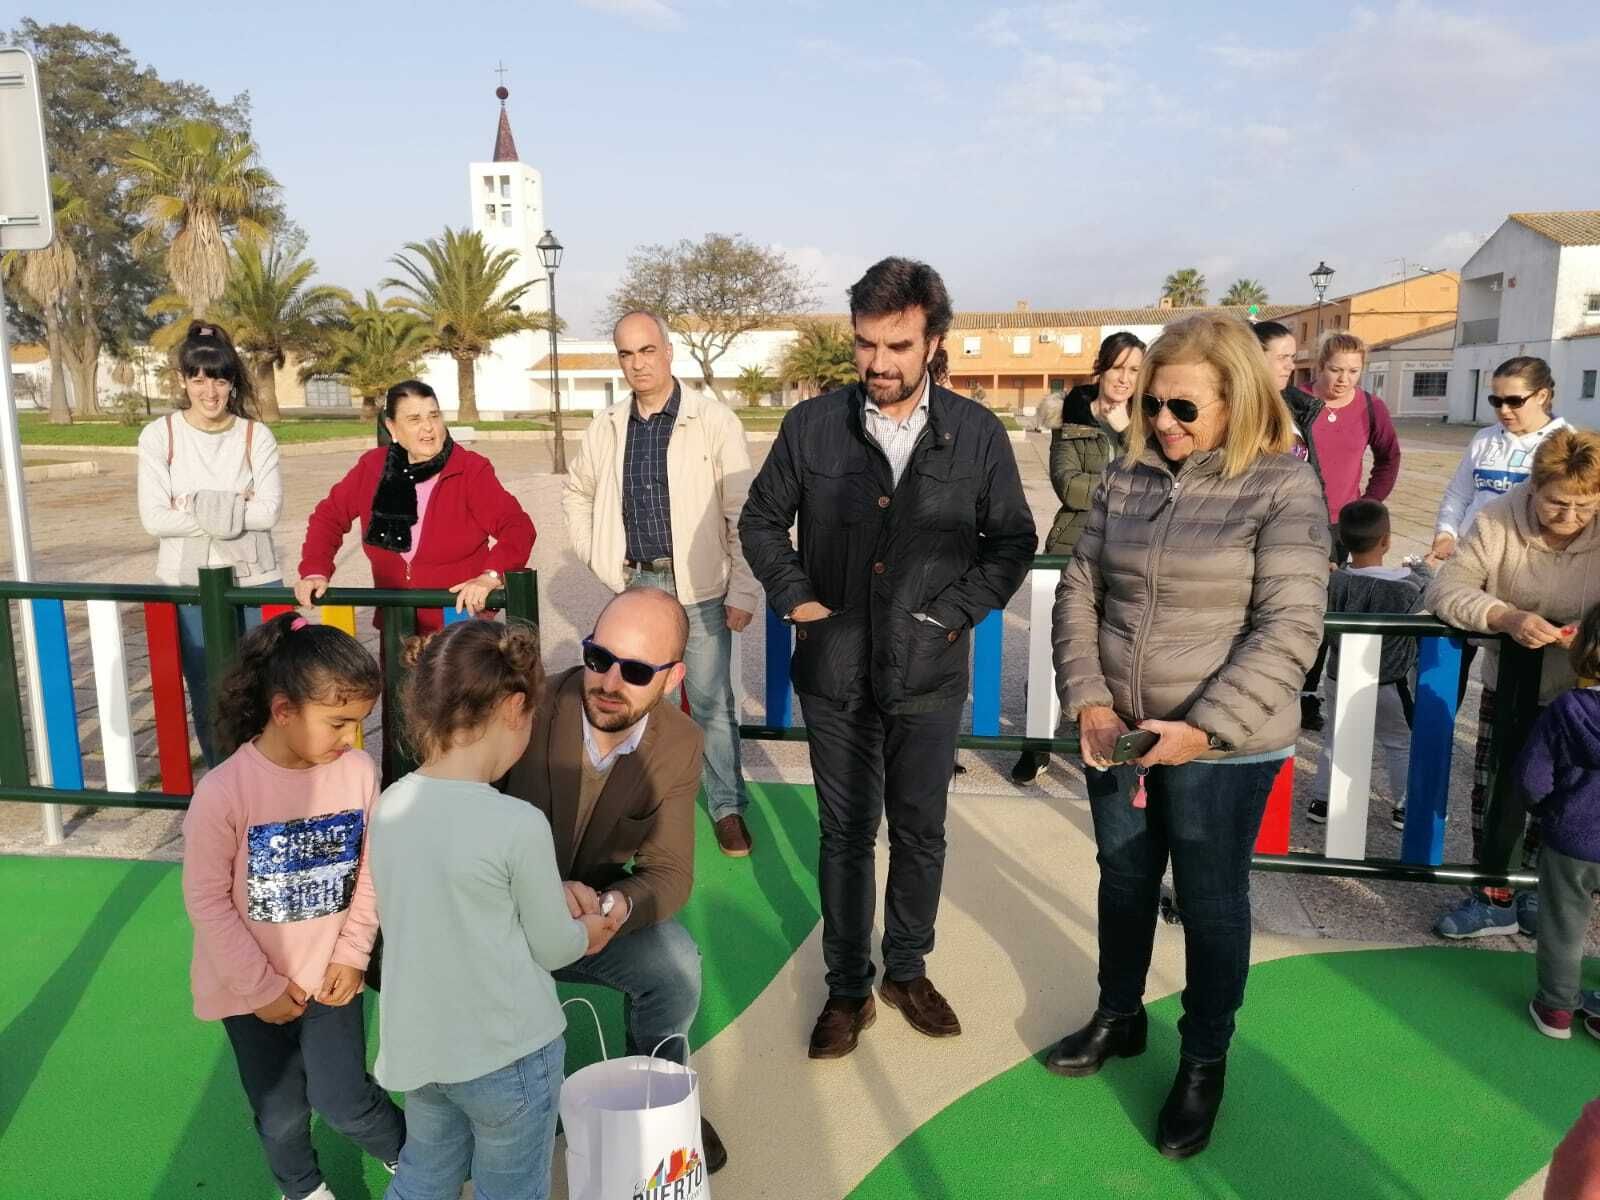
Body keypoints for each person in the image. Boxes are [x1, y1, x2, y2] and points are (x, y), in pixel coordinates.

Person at [739, 256, 1036, 1059]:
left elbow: (1012, 543)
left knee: (920, 830)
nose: (878, 363)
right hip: (836, 676)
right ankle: (847, 990)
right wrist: (801, 603)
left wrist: (953, 616)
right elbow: (761, 522)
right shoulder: (811, 427)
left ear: (934, 341)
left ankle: (906, 971)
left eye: (898, 345)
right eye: (866, 344)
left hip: (929, 676)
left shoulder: (978, 434)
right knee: (843, 835)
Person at [1049, 313, 1328, 1160]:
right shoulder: (1126, 477)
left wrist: (1203, 731)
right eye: (1152, 405)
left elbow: (1290, 626)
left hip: (1224, 746)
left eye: (1182, 408)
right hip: (1122, 732)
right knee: (1124, 879)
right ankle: (1120, 1015)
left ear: (1237, 401)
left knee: (1210, 905)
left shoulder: (1284, 486)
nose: (1162, 423)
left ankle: (1204, 1060)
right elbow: (1079, 585)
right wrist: (1090, 699)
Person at [370, 619, 613, 1200]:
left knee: (424, 1174)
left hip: (422, 1049)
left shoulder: (389, 805)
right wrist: (591, 930)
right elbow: (554, 945)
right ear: (513, 707)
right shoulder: (516, 823)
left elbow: (436, 900)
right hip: (509, 1056)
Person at [499, 587, 729, 1174]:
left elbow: (670, 872)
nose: (607, 681)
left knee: (676, 962)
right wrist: (536, 894)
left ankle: (657, 1099)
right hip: (491, 918)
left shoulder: (679, 744)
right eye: (599, 658)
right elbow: (451, 822)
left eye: (634, 670)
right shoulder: (522, 704)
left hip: (584, 924)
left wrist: (613, 907)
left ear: (674, 676)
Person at [180, 615, 403, 1200]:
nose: (351, 738)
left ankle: (418, 1160)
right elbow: (205, 900)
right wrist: (259, 988)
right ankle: (303, 1189)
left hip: (331, 976)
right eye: (339, 722)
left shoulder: (358, 773)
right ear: (283, 711)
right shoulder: (223, 792)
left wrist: (353, 954)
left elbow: (372, 872)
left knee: (346, 1099)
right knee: (279, 1112)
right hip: (249, 990)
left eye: (359, 723)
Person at [562, 310, 761, 857]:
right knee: (638, 701)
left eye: (647, 351)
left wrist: (743, 589)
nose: (637, 364)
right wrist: (598, 554)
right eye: (626, 354)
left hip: (697, 585)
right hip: (635, 585)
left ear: (668, 351)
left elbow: (741, 511)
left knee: (710, 700)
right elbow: (576, 492)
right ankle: (643, 809)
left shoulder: (712, 421)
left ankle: (726, 807)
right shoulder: (607, 426)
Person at [1426, 428, 1600, 939]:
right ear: (1533, 488)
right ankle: (1493, 892)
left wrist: (1590, 635)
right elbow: (1447, 589)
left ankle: (1541, 890)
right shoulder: (1497, 518)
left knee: (1570, 797)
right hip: (1513, 687)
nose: (1570, 519)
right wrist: (1504, 616)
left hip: (1584, 694)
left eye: (1585, 507)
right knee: (1501, 785)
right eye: (1556, 504)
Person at [139, 321, 282, 766]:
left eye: (219, 378)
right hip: (189, 582)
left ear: (232, 381)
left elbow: (269, 512)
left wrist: (190, 504)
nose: (209, 390)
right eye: (198, 377)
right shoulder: (160, 437)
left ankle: (268, 783)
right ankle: (223, 780)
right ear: (183, 380)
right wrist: (234, 504)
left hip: (255, 579)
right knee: (207, 690)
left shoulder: (255, 436)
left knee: (268, 688)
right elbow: (154, 519)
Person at [1011, 331, 1145, 786]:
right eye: (1118, 368)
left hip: (1130, 551)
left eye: (1134, 370)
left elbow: (1157, 481)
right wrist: (1124, 483)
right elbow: (1068, 488)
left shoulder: (1146, 421)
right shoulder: (1069, 417)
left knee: (1119, 652)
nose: (1125, 379)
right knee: (1056, 648)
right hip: (1072, 548)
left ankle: (1111, 743)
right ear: (1101, 368)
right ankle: (1037, 744)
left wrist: (1127, 436)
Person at [295, 380, 534, 631]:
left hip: (459, 630)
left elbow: (517, 527)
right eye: (414, 419)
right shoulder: (373, 467)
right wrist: (314, 571)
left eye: (434, 416)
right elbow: (328, 517)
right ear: (392, 427)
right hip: (397, 624)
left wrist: (490, 576)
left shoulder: (469, 469)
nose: (428, 428)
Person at [1431, 356, 1570, 703]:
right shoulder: (1484, 439)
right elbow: (1459, 493)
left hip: (1521, 572)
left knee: (1507, 680)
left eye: (1514, 400)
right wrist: (1447, 532)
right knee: (1443, 669)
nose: (1504, 410)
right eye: (1496, 400)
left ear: (1542, 396)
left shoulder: (1564, 444)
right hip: (1471, 562)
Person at [1298, 331, 1402, 732]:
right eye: (1335, 369)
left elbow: (1389, 457)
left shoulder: (1371, 408)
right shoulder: (1298, 403)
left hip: (1343, 527)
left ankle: (1311, 695)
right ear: (1320, 366)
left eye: (1353, 371)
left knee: (1330, 609)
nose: (1343, 379)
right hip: (1297, 519)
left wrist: (1370, 504)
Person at [1307, 500, 1432, 830]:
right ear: (1387, 540)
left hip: (1340, 674)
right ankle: (1404, 804)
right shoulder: (1405, 586)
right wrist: (1420, 565)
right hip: (1390, 679)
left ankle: (1322, 800)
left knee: (1336, 738)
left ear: (1344, 543)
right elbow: (1428, 589)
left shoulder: (1336, 581)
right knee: (1400, 741)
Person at [1523, 602, 1600, 1040]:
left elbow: (1534, 774)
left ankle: (1556, 1008)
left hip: (1571, 834)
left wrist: (1548, 809)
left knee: (1563, 924)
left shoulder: (1569, 708)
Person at [1252, 320, 1327, 492]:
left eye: (1292, 357)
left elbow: (1313, 471)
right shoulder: (1234, 409)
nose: (1291, 366)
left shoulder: (1298, 405)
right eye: (1282, 357)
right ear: (1255, 358)